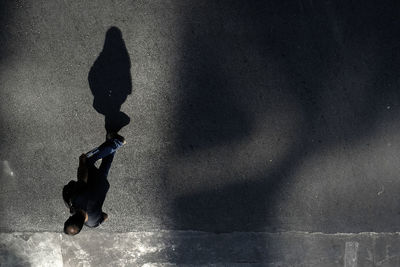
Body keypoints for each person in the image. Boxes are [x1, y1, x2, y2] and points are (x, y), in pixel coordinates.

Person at [62, 132, 126, 235]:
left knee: (105, 166)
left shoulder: (93, 223)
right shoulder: (76, 199)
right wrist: (81, 162)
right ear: (70, 217)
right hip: (93, 180)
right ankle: (117, 142)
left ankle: (110, 142)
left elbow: (105, 216)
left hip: (103, 185)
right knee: (86, 160)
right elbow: (82, 177)